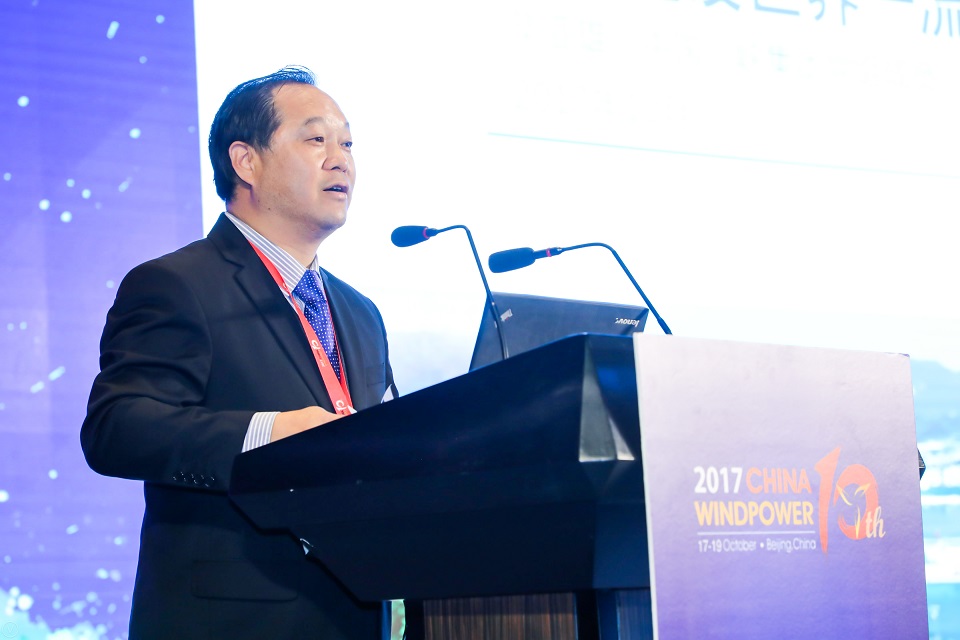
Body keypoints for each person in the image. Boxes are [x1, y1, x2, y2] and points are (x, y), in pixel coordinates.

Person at [81, 67, 397, 639]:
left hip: (354, 615)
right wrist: (268, 434)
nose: (341, 161)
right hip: (233, 619)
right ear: (246, 161)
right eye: (316, 139)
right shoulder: (176, 283)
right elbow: (117, 428)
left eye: (348, 144)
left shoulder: (360, 312)